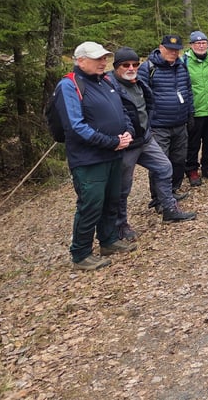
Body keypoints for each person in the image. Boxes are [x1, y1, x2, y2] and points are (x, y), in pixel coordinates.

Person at [55, 42, 134, 270]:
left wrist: (128, 131)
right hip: (89, 159)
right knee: (91, 204)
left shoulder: (106, 80)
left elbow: (123, 111)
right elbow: (75, 126)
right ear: (80, 60)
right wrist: (112, 142)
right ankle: (81, 254)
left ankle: (108, 241)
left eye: (104, 58)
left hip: (113, 154)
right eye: (97, 58)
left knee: (112, 199)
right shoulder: (69, 85)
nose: (103, 62)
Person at [108, 48, 196, 240]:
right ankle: (120, 226)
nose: (131, 68)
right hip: (125, 145)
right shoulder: (108, 85)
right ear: (116, 67)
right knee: (123, 187)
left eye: (134, 64)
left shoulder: (138, 82)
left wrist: (149, 126)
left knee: (164, 167)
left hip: (145, 139)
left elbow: (148, 104)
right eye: (125, 65)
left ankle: (169, 208)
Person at [138, 34, 194, 191]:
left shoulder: (181, 66)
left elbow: (188, 90)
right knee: (160, 163)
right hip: (158, 126)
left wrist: (190, 113)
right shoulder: (148, 68)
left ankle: (173, 190)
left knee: (179, 160)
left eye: (176, 50)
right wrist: (145, 123)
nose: (173, 53)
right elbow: (140, 97)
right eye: (169, 49)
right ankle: (159, 197)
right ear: (161, 48)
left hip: (180, 124)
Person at [185, 31, 208, 180]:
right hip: (195, 109)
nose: (201, 46)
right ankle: (191, 169)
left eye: (203, 43)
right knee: (193, 142)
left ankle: (207, 167)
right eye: (197, 43)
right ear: (191, 45)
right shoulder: (185, 61)